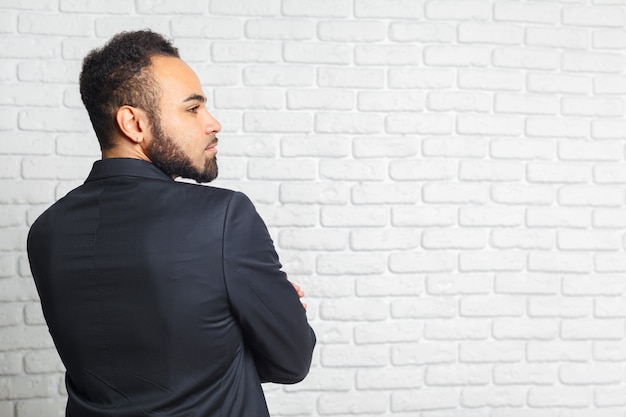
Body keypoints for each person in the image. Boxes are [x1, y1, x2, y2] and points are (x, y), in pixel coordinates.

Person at [27, 30, 315, 417]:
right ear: (134, 123)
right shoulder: (224, 217)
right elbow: (291, 361)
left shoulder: (47, 231)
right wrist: (263, 319)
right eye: (192, 109)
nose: (213, 123)